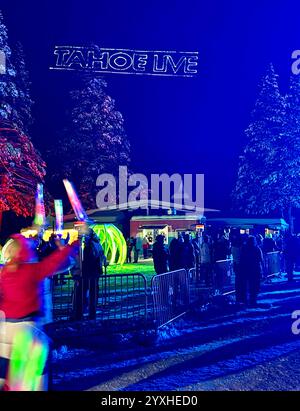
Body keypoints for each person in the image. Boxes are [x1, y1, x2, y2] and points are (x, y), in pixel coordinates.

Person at [0, 234, 78, 391]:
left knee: (4, 372)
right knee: (37, 373)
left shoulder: (4, 273)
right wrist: (75, 242)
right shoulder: (31, 270)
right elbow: (57, 261)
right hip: (27, 331)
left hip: (4, 331)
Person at [73, 228, 104, 320]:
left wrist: (81, 271)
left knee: (82, 293)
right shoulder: (97, 244)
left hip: (88, 274)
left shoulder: (90, 246)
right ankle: (91, 313)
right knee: (92, 294)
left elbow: (89, 260)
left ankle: (80, 314)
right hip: (94, 273)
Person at [239, 235, 264, 306]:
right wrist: (263, 270)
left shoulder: (244, 249)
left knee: (247, 285)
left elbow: (241, 259)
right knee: (255, 285)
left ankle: (247, 300)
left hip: (247, 269)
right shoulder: (257, 249)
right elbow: (261, 260)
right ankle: (253, 300)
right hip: (255, 269)